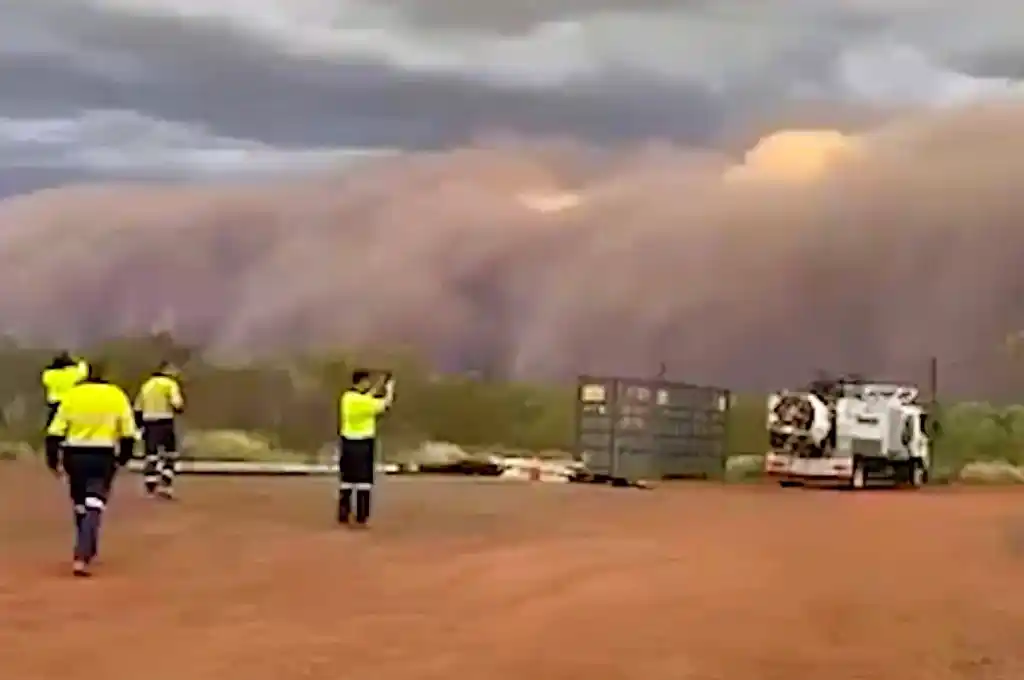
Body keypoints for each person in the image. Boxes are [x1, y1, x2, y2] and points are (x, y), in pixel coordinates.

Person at [45, 361, 137, 578]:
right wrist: (123, 458)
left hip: (74, 454)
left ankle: (86, 546)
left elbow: (55, 431)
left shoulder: (72, 395)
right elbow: (128, 432)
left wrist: (52, 460)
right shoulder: (116, 395)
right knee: (95, 503)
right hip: (102, 454)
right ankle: (83, 553)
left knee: (79, 503)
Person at [337, 370, 395, 528]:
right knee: (364, 482)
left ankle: (343, 513)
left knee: (347, 480)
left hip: (347, 442)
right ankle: (362, 516)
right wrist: (389, 389)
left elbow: (367, 396)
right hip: (363, 443)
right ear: (361, 382)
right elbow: (385, 404)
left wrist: (379, 384)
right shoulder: (364, 403)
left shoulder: (347, 398)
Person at [134, 361, 185, 499]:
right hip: (165, 421)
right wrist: (179, 409)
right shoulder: (170, 384)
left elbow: (138, 406)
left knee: (151, 455)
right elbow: (177, 403)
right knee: (170, 454)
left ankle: (150, 485)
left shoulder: (147, 385)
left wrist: (139, 425)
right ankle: (166, 483)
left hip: (149, 422)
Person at [41, 351, 88, 427]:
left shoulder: (49, 374)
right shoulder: (74, 373)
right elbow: (84, 372)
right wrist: (81, 361)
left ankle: (50, 432)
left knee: (53, 422)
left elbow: (45, 380)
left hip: (54, 402)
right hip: (70, 402)